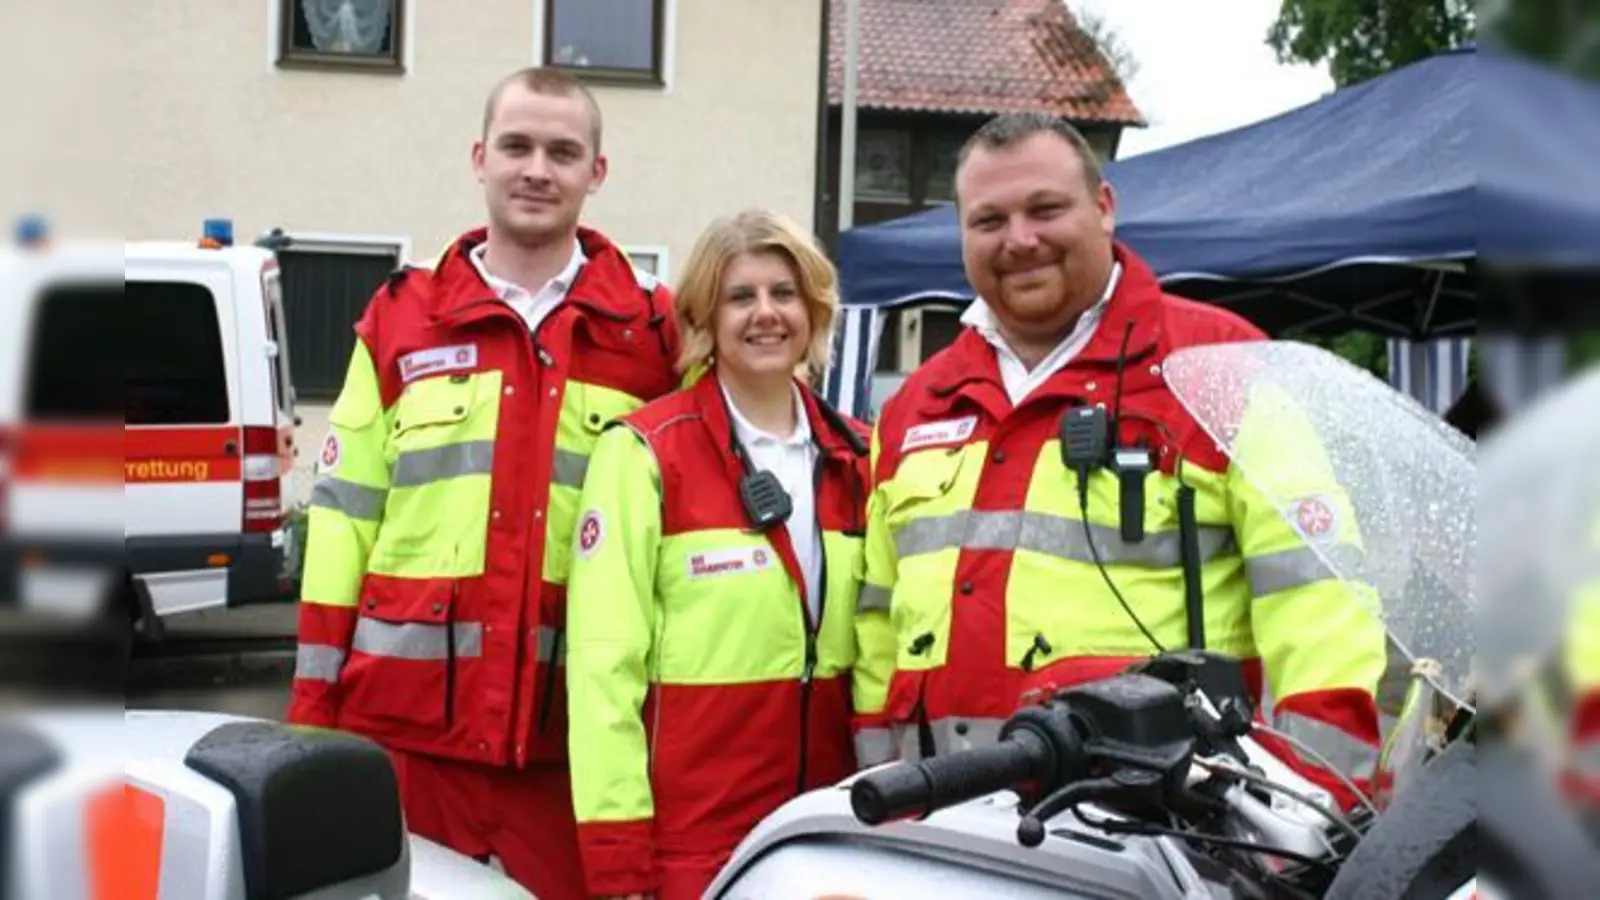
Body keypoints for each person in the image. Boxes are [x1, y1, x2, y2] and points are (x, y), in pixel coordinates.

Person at [850, 112, 1389, 808]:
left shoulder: (1218, 368)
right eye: (989, 220)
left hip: (1160, 833)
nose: (1020, 240)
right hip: (945, 823)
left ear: (1104, 208)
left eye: (1045, 208)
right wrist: (883, 791)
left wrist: (1307, 811)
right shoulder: (916, 405)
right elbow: (876, 620)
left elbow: (1320, 594)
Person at [285, 67, 682, 899]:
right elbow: (344, 525)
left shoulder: (651, 333)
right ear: (480, 158)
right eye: (518, 146)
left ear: (596, 173)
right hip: (403, 743)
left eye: (563, 151)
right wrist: (313, 723)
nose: (538, 168)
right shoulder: (399, 317)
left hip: (569, 754)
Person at [564, 209, 873, 900]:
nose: (766, 314)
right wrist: (617, 859)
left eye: (783, 293)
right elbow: (602, 670)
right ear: (706, 313)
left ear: (814, 308)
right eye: (741, 296)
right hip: (692, 845)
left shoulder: (859, 457)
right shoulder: (643, 453)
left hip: (827, 836)